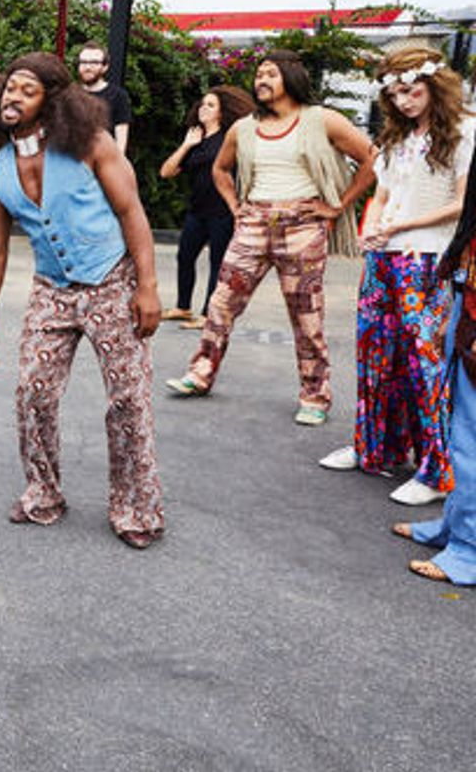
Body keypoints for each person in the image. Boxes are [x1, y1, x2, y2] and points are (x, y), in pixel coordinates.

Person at [0, 51, 165, 549]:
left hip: (111, 279)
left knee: (128, 400)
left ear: (51, 103)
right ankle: (43, 494)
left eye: (27, 90)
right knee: (33, 391)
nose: (13, 97)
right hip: (51, 289)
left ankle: (136, 509)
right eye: (9, 88)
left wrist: (147, 286)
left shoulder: (90, 145)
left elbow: (132, 211)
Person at [165, 49, 376, 426]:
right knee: (221, 303)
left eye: (270, 74)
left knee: (306, 315)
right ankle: (200, 373)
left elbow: (371, 159)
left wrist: (337, 207)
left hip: (302, 224)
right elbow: (220, 169)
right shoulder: (243, 127)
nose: (261, 80)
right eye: (259, 74)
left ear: (291, 78)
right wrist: (234, 206)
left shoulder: (321, 119)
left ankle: (315, 394)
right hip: (254, 222)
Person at [317, 49, 473, 505]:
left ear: (434, 85)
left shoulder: (465, 132)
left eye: (412, 90)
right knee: (375, 352)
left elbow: (465, 203)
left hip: (428, 258)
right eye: (395, 93)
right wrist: (372, 231)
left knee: (425, 361)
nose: (404, 101)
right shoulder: (396, 138)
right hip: (384, 257)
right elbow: (382, 194)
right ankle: (375, 446)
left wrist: (401, 227)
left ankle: (436, 469)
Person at [392, 143, 476, 583]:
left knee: (472, 430)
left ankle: (470, 547)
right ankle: (456, 527)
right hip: (467, 280)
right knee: (459, 417)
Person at [159, 86, 257, 329]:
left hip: (223, 213)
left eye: (211, 105)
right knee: (184, 257)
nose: (204, 107)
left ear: (222, 113)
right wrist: (186, 144)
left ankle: (207, 314)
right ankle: (183, 307)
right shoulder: (196, 139)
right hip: (197, 211)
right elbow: (166, 172)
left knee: (217, 263)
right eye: (202, 103)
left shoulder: (228, 139)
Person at [76, 41, 132, 154]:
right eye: (83, 62)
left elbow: (121, 140)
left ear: (105, 67)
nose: (87, 67)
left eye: (94, 63)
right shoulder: (70, 94)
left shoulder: (118, 96)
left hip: (102, 162)